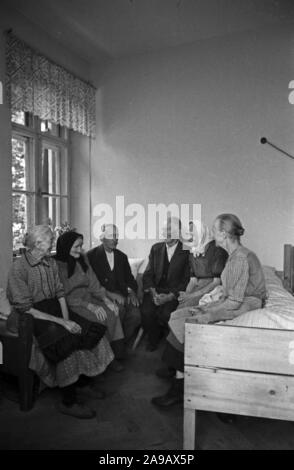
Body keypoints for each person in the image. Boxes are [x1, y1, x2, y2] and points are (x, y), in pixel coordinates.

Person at [151, 214, 266, 408]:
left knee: (187, 322)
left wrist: (207, 312)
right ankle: (177, 371)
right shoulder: (234, 256)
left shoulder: (239, 258)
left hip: (244, 304)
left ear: (223, 234)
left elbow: (235, 302)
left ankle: (178, 387)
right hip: (234, 301)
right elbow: (229, 294)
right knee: (179, 315)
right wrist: (204, 306)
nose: (212, 234)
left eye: (214, 230)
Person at [7, 225, 114, 419]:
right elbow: (24, 308)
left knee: (87, 332)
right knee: (66, 345)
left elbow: (60, 293)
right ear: (37, 243)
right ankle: (68, 401)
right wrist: (63, 324)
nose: (52, 246)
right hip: (31, 316)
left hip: (54, 309)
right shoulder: (19, 267)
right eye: (49, 242)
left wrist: (67, 319)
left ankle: (82, 384)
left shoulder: (50, 263)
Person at [55, 231, 125, 369]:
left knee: (113, 312)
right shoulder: (57, 265)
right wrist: (90, 306)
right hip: (73, 304)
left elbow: (94, 283)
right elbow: (63, 296)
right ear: (66, 246)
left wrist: (106, 300)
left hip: (90, 298)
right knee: (99, 319)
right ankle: (102, 361)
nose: (80, 250)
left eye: (81, 246)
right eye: (76, 247)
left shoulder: (83, 258)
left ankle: (113, 356)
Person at [141, 217, 190, 351]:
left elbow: (186, 280)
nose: (166, 232)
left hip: (173, 293)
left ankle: (169, 344)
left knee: (167, 314)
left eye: (170, 230)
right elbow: (148, 274)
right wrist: (153, 293)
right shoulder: (156, 248)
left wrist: (169, 297)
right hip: (155, 291)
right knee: (146, 312)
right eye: (164, 229)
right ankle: (154, 339)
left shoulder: (187, 251)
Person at [87, 224, 141, 346]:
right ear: (102, 238)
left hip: (123, 294)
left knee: (136, 315)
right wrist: (110, 295)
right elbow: (91, 284)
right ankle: (114, 347)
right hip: (102, 296)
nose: (115, 240)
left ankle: (121, 344)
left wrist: (131, 291)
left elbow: (130, 279)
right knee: (119, 311)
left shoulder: (122, 257)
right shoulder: (91, 256)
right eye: (111, 236)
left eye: (116, 236)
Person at [178, 220, 228, 307]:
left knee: (184, 311)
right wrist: (186, 295)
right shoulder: (193, 251)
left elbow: (216, 282)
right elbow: (193, 280)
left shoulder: (217, 251)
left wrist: (191, 296)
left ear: (201, 232)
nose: (189, 236)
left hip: (213, 290)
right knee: (181, 306)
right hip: (198, 288)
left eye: (192, 232)